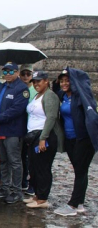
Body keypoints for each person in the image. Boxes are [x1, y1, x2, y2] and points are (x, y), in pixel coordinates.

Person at [54, 68, 97, 216]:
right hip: (71, 139)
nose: (64, 83)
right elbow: (56, 90)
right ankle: (79, 203)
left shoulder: (81, 96)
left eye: (68, 80)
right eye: (62, 80)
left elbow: (91, 115)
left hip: (83, 139)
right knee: (80, 170)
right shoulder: (64, 96)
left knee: (80, 171)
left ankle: (74, 204)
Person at [0, 62, 29, 204]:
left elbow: (16, 110)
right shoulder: (2, 86)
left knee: (15, 161)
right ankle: (5, 187)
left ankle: (16, 191)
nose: (8, 74)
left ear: (17, 72)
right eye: (5, 72)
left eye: (11, 71)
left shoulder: (21, 88)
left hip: (13, 130)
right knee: (3, 160)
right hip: (0, 130)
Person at [23, 71, 63, 208]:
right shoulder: (37, 96)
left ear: (46, 81)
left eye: (39, 81)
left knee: (43, 167)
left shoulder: (50, 96)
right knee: (33, 167)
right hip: (33, 135)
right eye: (34, 82)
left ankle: (43, 198)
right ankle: (37, 195)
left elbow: (51, 117)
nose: (36, 84)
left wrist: (43, 138)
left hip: (44, 136)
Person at [19, 64, 36, 195]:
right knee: (20, 156)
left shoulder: (36, 90)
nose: (25, 76)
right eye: (23, 74)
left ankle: (30, 182)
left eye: (28, 74)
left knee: (31, 158)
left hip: (33, 128)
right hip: (20, 127)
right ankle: (22, 180)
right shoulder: (19, 89)